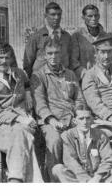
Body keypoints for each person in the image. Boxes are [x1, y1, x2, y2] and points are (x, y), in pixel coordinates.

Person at [0, 43, 43, 182]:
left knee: (21, 133)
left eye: (7, 58)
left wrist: (27, 93)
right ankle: (18, 179)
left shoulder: (18, 74)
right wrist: (20, 118)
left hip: (24, 125)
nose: (4, 61)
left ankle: (17, 179)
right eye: (0, 57)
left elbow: (26, 83)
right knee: (22, 135)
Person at [31, 39, 87, 179]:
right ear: (44, 55)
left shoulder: (70, 74)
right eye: (50, 53)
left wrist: (78, 116)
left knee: (84, 137)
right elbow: (40, 103)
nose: (53, 57)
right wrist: (52, 120)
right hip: (50, 122)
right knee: (55, 140)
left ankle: (81, 177)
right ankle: (53, 179)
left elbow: (79, 99)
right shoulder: (38, 75)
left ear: (61, 54)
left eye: (56, 53)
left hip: (71, 119)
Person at [52, 107, 112, 183]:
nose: (85, 122)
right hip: (78, 177)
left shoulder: (101, 135)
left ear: (92, 119)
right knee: (57, 169)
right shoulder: (67, 135)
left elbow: (108, 160)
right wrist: (87, 180)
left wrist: (97, 177)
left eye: (88, 118)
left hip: (96, 176)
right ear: (74, 120)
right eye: (81, 119)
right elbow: (70, 161)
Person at [23, 2, 75, 78]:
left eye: (59, 14)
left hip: (63, 79)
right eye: (53, 15)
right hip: (42, 80)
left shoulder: (67, 37)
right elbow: (27, 63)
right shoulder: (36, 37)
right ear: (45, 16)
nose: (56, 17)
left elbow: (71, 61)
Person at [71, 4, 106, 79]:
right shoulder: (77, 35)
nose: (93, 19)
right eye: (90, 16)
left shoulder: (105, 35)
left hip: (104, 78)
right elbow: (74, 62)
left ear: (99, 16)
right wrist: (86, 75)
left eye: (96, 16)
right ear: (83, 17)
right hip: (85, 78)